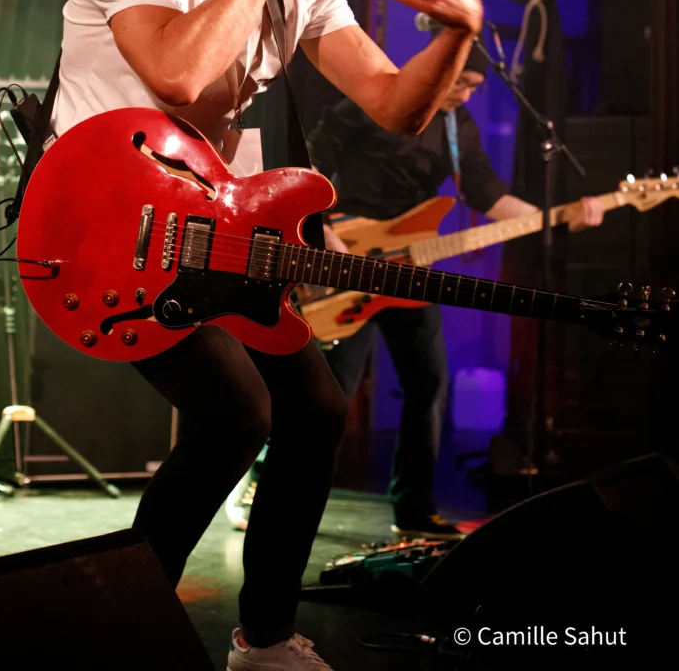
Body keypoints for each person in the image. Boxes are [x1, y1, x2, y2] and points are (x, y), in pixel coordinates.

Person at [51, 0, 484, 670]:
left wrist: (457, 34)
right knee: (234, 413)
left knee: (316, 409)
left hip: (194, 225)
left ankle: (267, 638)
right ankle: (113, 631)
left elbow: (395, 104)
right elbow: (176, 73)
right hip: (91, 222)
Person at [226, 33, 604, 542]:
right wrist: (327, 235)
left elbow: (487, 194)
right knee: (328, 393)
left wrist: (556, 218)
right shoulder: (374, 101)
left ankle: (414, 509)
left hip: (406, 272)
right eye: (461, 82)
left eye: (475, 86)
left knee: (428, 383)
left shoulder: (457, 125)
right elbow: (307, 163)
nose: (466, 94)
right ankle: (260, 484)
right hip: (348, 261)